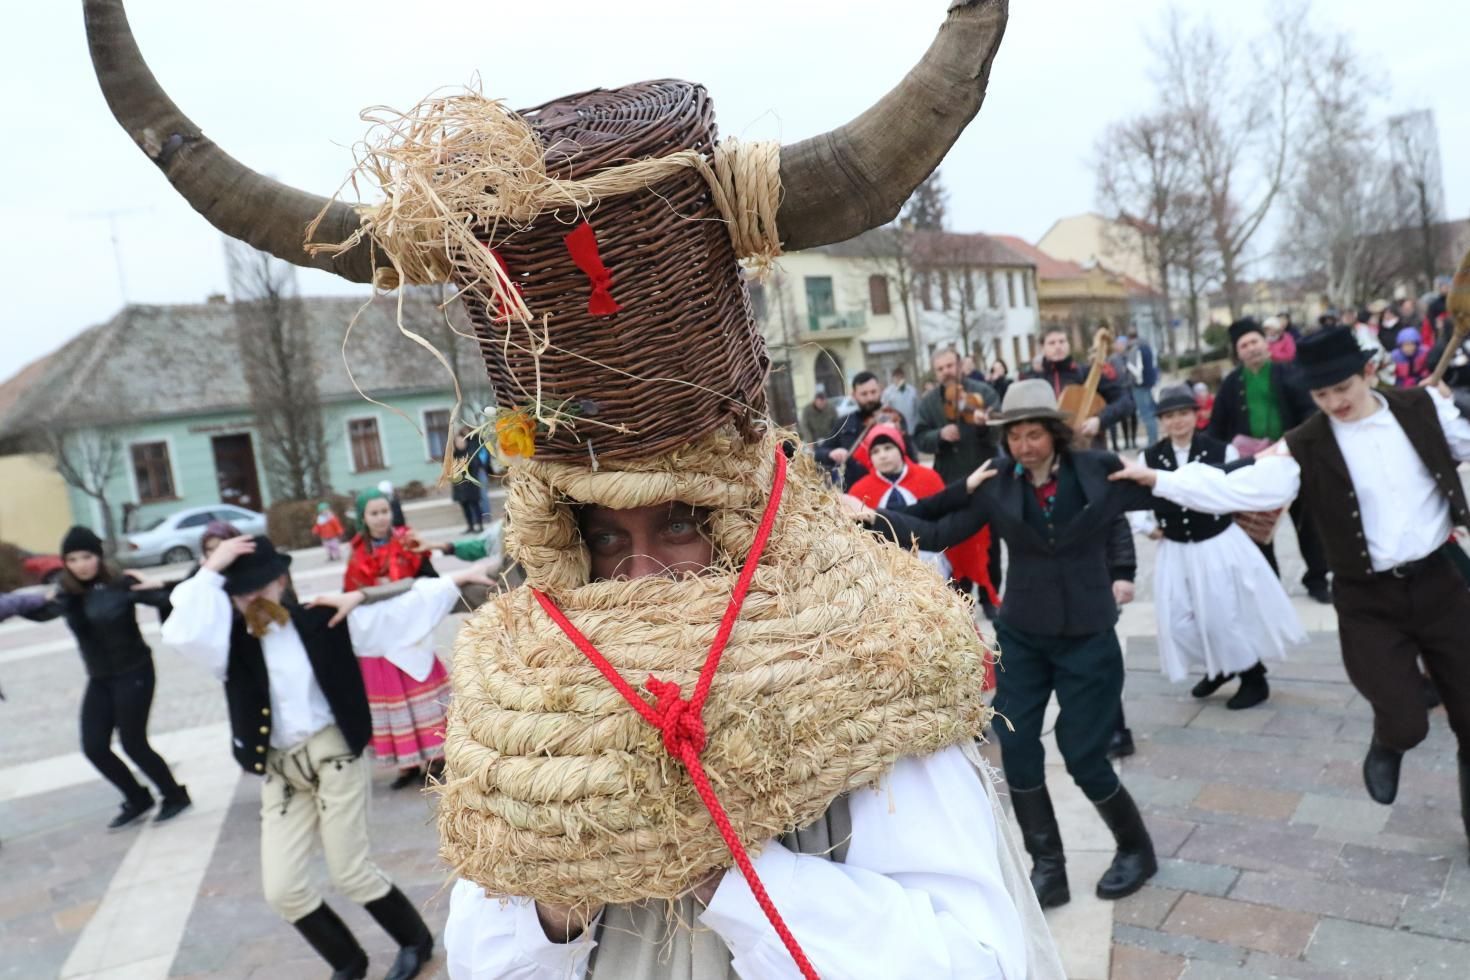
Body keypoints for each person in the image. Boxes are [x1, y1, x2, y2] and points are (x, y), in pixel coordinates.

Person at [1110, 326, 1470, 836]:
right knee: (1407, 716)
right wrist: (1158, 480)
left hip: (1441, 585)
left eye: (1342, 389)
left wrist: (1449, 402)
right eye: (1321, 395)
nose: (1334, 402)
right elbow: (1237, 486)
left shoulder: (1419, 409)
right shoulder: (1306, 444)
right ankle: (1390, 741)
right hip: (1369, 600)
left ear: (1368, 372)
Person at [853, 379, 1160, 909]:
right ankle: (1049, 867)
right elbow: (938, 526)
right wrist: (868, 519)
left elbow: (1164, 492)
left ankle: (1136, 849)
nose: (1024, 445)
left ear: (1056, 434)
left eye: (1034, 434)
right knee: (1015, 745)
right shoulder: (997, 481)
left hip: (1089, 634)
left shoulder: (1098, 469)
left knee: (1084, 754)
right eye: (1015, 435)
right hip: (1024, 634)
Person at [163, 533, 493, 980]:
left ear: (282, 580)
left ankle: (414, 941)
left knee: (350, 871)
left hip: (334, 756)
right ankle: (348, 963)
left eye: (261, 586)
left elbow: (397, 613)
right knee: (283, 889)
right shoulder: (224, 645)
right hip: (281, 769)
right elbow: (181, 629)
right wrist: (211, 568)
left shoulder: (324, 619)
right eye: (240, 591)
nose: (253, 598)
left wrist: (454, 580)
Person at [1135, 385, 1305, 708]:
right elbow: (1136, 501)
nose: (1177, 421)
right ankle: (1221, 665)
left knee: (1222, 616)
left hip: (1215, 544)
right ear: (1161, 421)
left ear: (1196, 415)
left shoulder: (1220, 450)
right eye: (1169, 416)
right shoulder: (1150, 457)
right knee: (1177, 622)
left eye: (1183, 413)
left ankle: (1253, 677)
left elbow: (1236, 492)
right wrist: (1147, 527)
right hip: (1175, 548)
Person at [29, 526, 191, 828]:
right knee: (94, 747)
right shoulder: (66, 594)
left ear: (99, 557)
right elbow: (39, 613)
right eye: (73, 559)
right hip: (100, 678)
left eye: (87, 556)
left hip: (134, 671)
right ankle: (137, 797)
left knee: (133, 743)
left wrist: (162, 584)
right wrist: (15, 604)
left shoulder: (122, 583)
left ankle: (175, 795)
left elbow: (169, 598)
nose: (81, 565)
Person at [1207, 318, 1332, 604]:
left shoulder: (1289, 372)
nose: (1251, 349)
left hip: (1291, 459)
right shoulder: (1231, 383)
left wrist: (1292, 443)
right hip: (1253, 466)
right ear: (1237, 352)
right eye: (1244, 345)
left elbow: (1309, 412)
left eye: (1255, 342)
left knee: (1308, 522)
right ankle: (1270, 581)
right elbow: (1217, 426)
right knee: (1258, 526)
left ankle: (1316, 577)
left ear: (1266, 343)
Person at [343, 489, 452, 789]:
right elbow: (350, 593)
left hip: (409, 630)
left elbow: (429, 579)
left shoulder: (408, 542)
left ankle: (435, 757)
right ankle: (406, 764)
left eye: (384, 511)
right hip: (380, 637)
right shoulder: (356, 552)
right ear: (363, 519)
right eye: (374, 513)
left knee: (422, 696)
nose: (381, 518)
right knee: (393, 703)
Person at [849, 423, 995, 605]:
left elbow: (932, 510)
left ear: (901, 449)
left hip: (931, 563)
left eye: (888, 448)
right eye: (876, 451)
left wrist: (966, 486)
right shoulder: (858, 491)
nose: (883, 455)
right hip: (887, 575)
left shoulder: (927, 477)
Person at [913, 347, 1001, 613]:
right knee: (954, 539)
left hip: (984, 475)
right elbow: (919, 437)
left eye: (950, 366)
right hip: (950, 481)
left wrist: (984, 425)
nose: (946, 372)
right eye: (940, 368)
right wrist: (939, 435)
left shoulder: (982, 392)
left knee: (990, 541)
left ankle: (991, 596)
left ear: (960, 365)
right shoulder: (929, 402)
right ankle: (961, 597)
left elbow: (1000, 428)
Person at [1023, 325, 1135, 449]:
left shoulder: (1088, 374)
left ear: (1068, 344)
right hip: (1050, 452)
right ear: (1042, 348)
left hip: (1088, 449)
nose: (1058, 346)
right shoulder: (1035, 381)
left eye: (1062, 341)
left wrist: (1100, 420)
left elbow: (1125, 401)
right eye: (1052, 343)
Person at [812, 370, 884, 490]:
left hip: (888, 491)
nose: (870, 398)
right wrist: (830, 454)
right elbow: (819, 453)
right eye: (864, 394)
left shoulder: (892, 418)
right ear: (854, 395)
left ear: (880, 390)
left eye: (873, 392)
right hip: (856, 490)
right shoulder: (845, 422)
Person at [1126, 330, 1160, 446]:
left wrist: (1137, 381)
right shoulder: (1147, 347)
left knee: (1147, 415)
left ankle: (1152, 443)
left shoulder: (1136, 349)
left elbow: (1135, 368)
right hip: (1149, 384)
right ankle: (1153, 440)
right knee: (1151, 413)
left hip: (1140, 386)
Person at [451, 431, 484, 533]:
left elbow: (475, 466)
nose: (460, 443)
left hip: (471, 485)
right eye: (457, 442)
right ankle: (470, 526)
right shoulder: (453, 455)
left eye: (461, 441)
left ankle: (480, 525)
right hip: (459, 487)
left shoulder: (471, 453)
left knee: (475, 506)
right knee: (465, 507)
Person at [880, 366, 920, 435]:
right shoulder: (888, 393)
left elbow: (917, 409)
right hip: (896, 430)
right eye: (896, 377)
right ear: (893, 378)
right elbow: (884, 412)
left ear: (904, 378)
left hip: (912, 429)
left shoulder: (912, 391)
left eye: (901, 377)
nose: (899, 380)